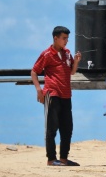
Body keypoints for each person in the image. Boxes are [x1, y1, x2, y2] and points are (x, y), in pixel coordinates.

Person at [31, 26, 81, 166]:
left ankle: (64, 159)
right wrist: (39, 90)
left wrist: (76, 61)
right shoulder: (47, 54)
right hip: (52, 93)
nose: (66, 41)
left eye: (67, 38)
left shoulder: (66, 53)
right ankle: (51, 159)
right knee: (51, 128)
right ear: (56, 38)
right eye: (64, 38)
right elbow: (34, 72)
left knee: (67, 128)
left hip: (66, 94)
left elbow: (71, 72)